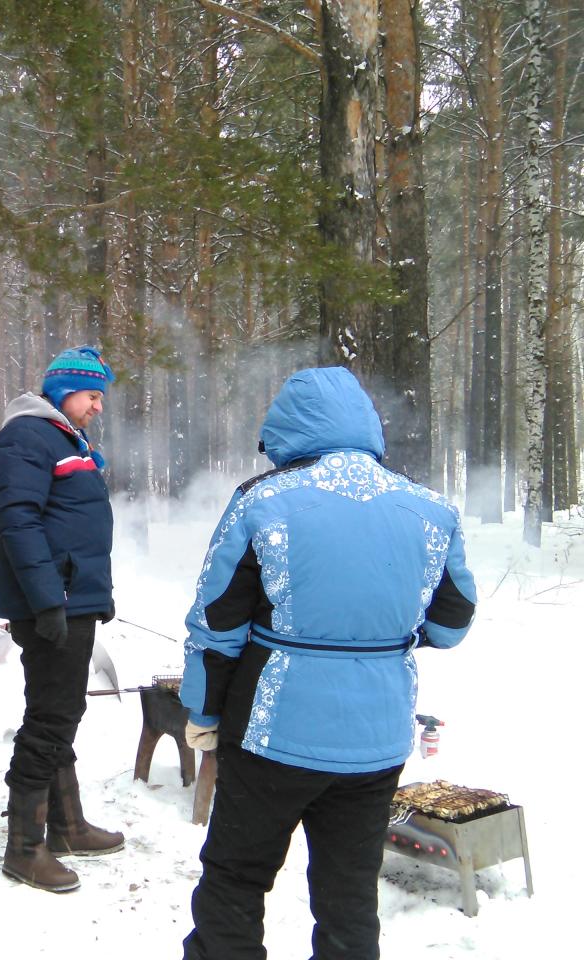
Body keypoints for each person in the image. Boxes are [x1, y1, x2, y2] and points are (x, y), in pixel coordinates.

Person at [178, 366, 477, 960]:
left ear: (284, 430)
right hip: (376, 740)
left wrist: (203, 712)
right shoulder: (431, 509)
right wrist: (379, 632)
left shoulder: (261, 501)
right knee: (349, 896)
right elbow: (451, 624)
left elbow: (217, 624)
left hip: (272, 735)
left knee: (236, 879)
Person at [0, 345, 122, 894]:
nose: (98, 407)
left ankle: (66, 825)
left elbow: (71, 523)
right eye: (92, 395)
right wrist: (47, 601)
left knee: (62, 711)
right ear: (65, 391)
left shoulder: (63, 438)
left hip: (70, 597)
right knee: (50, 718)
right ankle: (24, 848)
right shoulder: (27, 436)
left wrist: (93, 593)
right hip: (51, 602)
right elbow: (17, 523)